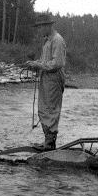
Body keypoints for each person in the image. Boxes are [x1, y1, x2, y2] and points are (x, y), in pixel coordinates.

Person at [25, 13, 67, 152]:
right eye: (38, 27)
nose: (39, 30)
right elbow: (46, 61)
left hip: (54, 78)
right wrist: (35, 63)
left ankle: (50, 144)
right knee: (43, 108)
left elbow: (57, 63)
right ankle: (47, 142)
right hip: (46, 77)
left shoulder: (57, 40)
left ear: (48, 26)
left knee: (51, 109)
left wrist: (39, 66)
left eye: (41, 27)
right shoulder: (47, 40)